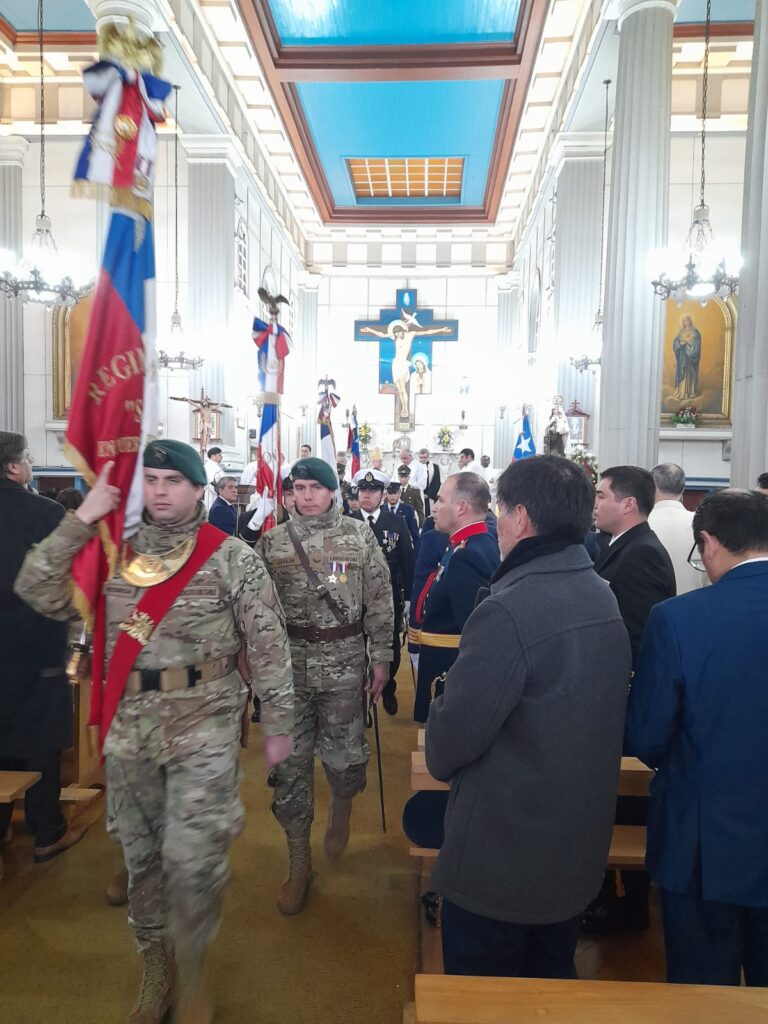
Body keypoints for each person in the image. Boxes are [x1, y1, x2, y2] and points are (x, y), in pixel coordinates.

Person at [15, 440, 295, 1024]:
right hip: (130, 734)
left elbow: (268, 644)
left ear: (200, 489)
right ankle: (157, 969)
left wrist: (279, 725)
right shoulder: (110, 552)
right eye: (153, 479)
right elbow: (36, 589)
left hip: (205, 731)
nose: (161, 489)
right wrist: (81, 519)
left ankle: (193, 972)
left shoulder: (231, 557)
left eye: (174, 479)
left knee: (194, 862)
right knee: (142, 861)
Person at [425, 455, 631, 979]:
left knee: (482, 1002)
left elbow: (447, 751)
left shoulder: (509, 608)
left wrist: (443, 702)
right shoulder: (601, 594)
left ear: (518, 518)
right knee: (546, 993)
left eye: (499, 513)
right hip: (572, 850)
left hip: (503, 858)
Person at [626, 489, 768, 986]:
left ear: (707, 543)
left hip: (702, 842)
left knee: (703, 995)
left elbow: (647, 736)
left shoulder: (679, 618)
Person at [260, 457, 394, 916]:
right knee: (291, 767)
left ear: (334, 491)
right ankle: (299, 862)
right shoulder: (274, 542)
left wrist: (382, 656)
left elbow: (379, 598)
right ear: (291, 492)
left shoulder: (358, 536)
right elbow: (258, 610)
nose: (308, 495)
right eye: (300, 487)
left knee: (345, 757)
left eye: (317, 487)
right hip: (289, 671)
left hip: (344, 667)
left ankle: (341, 803)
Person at [585, 465, 676, 935]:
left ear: (629, 504)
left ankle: (625, 902)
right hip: (612, 696)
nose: (595, 502)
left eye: (602, 495)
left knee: (625, 801)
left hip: (623, 701)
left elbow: (637, 640)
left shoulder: (640, 555)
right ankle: (609, 896)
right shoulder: (619, 547)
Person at [0, 433, 84, 871]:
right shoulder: (46, 513)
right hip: (37, 643)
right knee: (42, 736)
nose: (30, 464)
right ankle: (47, 829)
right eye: (28, 458)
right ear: (14, 468)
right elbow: (72, 577)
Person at [411, 472, 499, 723]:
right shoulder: (464, 545)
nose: (435, 508)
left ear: (461, 507)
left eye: (440, 500)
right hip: (441, 663)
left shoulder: (468, 554)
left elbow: (474, 634)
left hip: (449, 671)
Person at [350, 468, 414, 717]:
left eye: (373, 490)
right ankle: (360, 696)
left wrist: (408, 597)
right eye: (363, 490)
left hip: (388, 600)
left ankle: (387, 686)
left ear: (382, 494)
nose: (367, 495)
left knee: (392, 652)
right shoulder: (347, 522)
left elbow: (408, 562)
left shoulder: (396, 523)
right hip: (354, 599)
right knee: (356, 650)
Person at [649, 463, 702, 595]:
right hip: (696, 605)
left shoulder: (641, 523)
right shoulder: (702, 523)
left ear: (651, 486)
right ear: (683, 489)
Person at [672, 314, 702, 400]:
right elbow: (676, 342)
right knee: (683, 372)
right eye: (684, 321)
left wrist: (689, 343)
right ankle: (681, 393)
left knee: (689, 374)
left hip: (691, 358)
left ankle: (690, 392)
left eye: (687, 320)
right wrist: (680, 343)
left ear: (690, 321)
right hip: (682, 356)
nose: (685, 322)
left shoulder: (695, 332)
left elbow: (697, 344)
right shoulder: (681, 331)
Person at [386, 482, 420, 550]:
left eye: (395, 493)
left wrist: (416, 555)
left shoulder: (408, 510)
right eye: (390, 493)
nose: (392, 496)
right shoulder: (381, 509)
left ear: (399, 494)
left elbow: (414, 534)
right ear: (386, 494)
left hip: (403, 548)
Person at [420, 448, 441, 518]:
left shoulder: (435, 467)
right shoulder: (415, 467)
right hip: (418, 495)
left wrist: (428, 494)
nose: (423, 459)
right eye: (421, 457)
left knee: (430, 516)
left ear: (428, 457)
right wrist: (420, 493)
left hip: (430, 496)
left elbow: (436, 482)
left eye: (425, 457)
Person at [203, 446, 224, 512]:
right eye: (219, 455)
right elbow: (210, 482)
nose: (221, 457)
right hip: (212, 494)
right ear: (213, 456)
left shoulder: (216, 466)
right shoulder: (209, 466)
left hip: (219, 494)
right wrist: (219, 492)